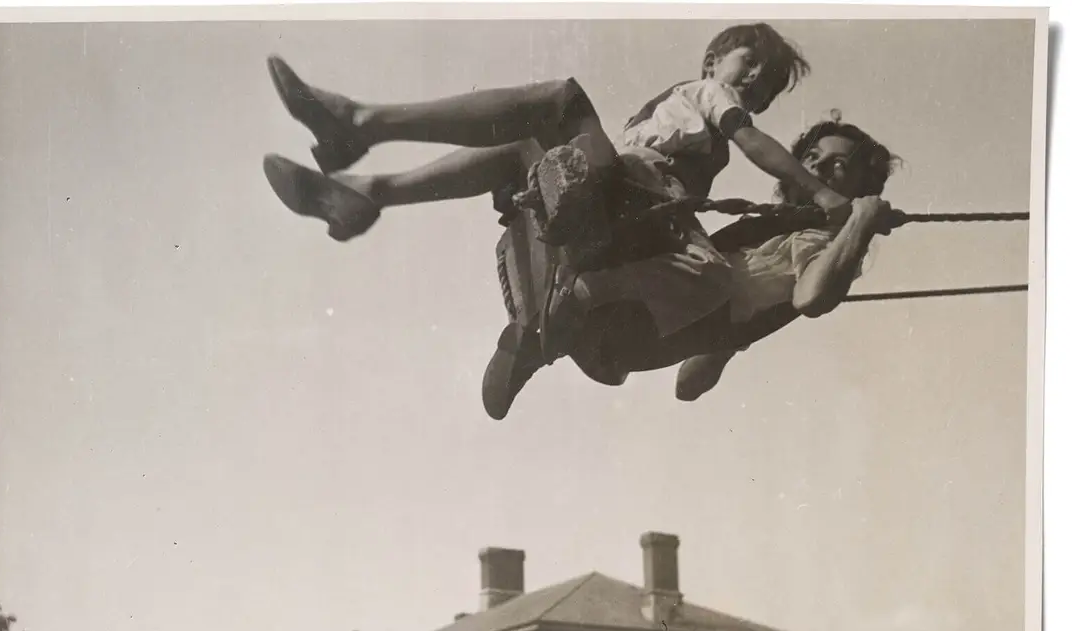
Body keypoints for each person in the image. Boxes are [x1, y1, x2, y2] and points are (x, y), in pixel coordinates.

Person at [260, 25, 856, 400]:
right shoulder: (707, 97)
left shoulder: (691, 121)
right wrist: (821, 194)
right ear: (713, 61)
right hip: (628, 195)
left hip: (634, 207)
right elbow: (756, 144)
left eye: (767, 86)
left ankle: (368, 166)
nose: (755, 81)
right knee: (549, 114)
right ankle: (363, 167)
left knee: (538, 125)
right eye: (750, 63)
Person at [483, 114, 900, 417]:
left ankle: (573, 293)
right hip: (619, 332)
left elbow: (811, 298)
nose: (820, 167)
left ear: (861, 191)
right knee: (643, 205)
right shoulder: (761, 231)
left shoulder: (826, 244)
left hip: (637, 330)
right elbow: (688, 385)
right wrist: (729, 344)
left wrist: (861, 222)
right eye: (812, 156)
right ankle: (542, 331)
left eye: (840, 166)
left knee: (658, 199)